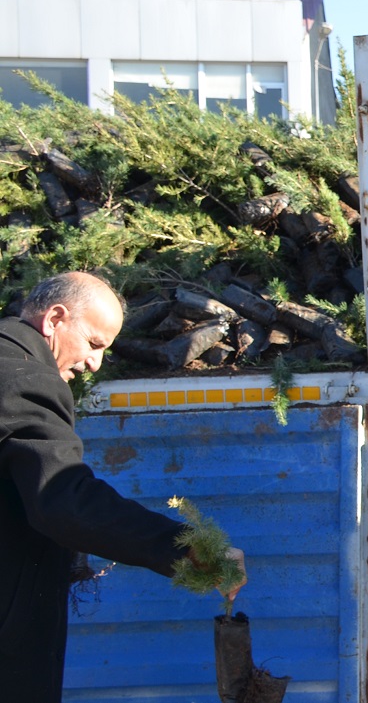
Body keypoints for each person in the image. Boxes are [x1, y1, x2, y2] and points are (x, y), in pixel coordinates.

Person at [0, 272, 246, 703]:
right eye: (94, 344)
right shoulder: (23, 378)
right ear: (55, 318)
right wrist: (181, 545)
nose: (94, 364)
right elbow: (62, 499)